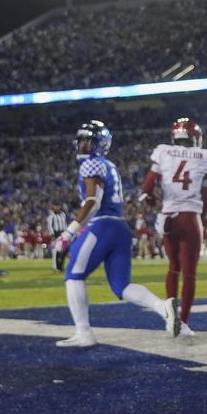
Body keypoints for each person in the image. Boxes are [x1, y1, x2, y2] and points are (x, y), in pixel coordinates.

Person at [54, 120, 180, 347]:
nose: (83, 145)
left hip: (103, 225)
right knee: (121, 286)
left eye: (88, 141)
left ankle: (84, 333)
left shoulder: (91, 164)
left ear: (98, 144)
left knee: (74, 276)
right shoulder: (108, 165)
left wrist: (69, 233)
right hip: (120, 227)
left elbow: (93, 202)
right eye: (81, 140)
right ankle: (163, 307)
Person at [140, 117, 207, 336]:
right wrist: (203, 216)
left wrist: (150, 198)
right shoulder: (205, 156)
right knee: (190, 273)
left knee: (173, 266)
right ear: (194, 138)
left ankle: (169, 316)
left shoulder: (164, 152)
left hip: (168, 217)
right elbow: (206, 196)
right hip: (190, 216)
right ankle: (183, 322)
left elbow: (147, 187)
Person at [47, 203, 68, 271]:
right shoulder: (51, 215)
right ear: (53, 206)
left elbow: (65, 223)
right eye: (56, 206)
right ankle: (56, 267)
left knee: (63, 251)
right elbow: (49, 226)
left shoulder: (63, 214)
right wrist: (52, 235)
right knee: (56, 251)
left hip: (63, 233)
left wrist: (66, 232)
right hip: (56, 234)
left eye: (58, 206)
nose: (57, 207)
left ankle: (61, 266)